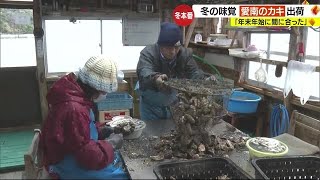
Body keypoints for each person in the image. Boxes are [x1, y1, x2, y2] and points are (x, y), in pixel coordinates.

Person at [39, 56, 129, 179]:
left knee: (118, 161)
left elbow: (78, 131)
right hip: (66, 164)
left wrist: (100, 130)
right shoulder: (74, 109)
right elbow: (87, 157)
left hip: (72, 153)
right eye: (104, 92)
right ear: (94, 88)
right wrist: (111, 144)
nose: (105, 96)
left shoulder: (74, 94)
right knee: (124, 175)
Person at [136, 22, 216, 121]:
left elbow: (194, 72)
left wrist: (205, 79)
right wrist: (156, 78)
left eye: (177, 47)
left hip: (173, 105)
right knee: (152, 133)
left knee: (173, 132)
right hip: (151, 106)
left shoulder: (185, 54)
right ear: (160, 45)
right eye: (169, 47)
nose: (173, 51)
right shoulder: (148, 53)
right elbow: (144, 71)